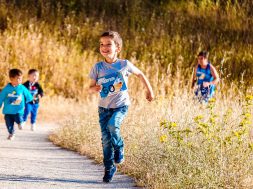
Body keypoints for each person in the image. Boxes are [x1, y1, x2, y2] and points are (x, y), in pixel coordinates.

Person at [89, 31, 154, 183]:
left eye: (108, 44)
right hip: (103, 109)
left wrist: (149, 90)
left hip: (120, 106)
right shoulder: (97, 67)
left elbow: (140, 74)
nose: (104, 47)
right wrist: (95, 88)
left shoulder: (124, 64)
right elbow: (90, 87)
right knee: (105, 140)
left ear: (117, 48)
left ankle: (119, 146)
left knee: (113, 126)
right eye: (101, 44)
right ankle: (109, 167)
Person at [0, 69, 33, 140]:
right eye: (18, 78)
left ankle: (20, 123)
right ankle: (11, 133)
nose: (20, 80)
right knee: (9, 124)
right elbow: (1, 98)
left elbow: (28, 95)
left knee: (18, 118)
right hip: (8, 111)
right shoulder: (6, 89)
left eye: (21, 78)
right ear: (11, 79)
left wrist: (30, 100)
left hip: (18, 110)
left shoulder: (22, 87)